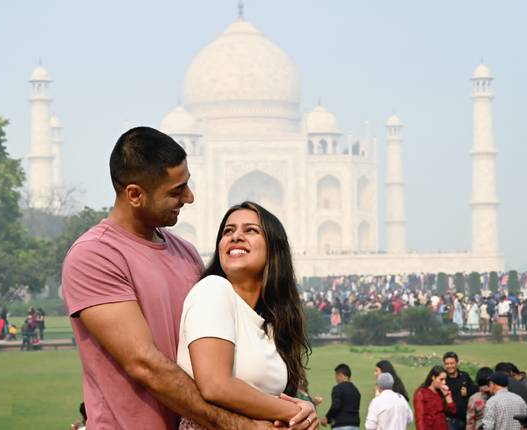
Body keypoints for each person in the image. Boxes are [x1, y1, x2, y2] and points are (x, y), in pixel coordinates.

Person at [62, 127, 305, 429]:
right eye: (176, 191)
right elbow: (145, 364)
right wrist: (241, 425)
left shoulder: (185, 253)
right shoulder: (96, 255)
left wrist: (292, 404)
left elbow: (221, 353)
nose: (189, 197)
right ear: (135, 195)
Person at [176, 202, 317, 429]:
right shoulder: (213, 289)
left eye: (250, 230)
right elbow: (215, 385)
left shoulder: (269, 325)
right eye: (228, 231)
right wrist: (295, 412)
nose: (236, 236)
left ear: (274, 248)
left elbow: (269, 397)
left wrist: (304, 406)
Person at [413, 365, 456, 430]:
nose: (444, 382)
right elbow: (419, 418)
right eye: (441, 379)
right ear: (433, 377)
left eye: (445, 379)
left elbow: (452, 411)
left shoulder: (441, 392)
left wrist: (447, 396)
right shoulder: (421, 393)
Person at [443, 351, 477, 430]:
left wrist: (467, 392)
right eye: (447, 364)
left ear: (457, 363)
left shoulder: (464, 376)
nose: (449, 366)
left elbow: (475, 391)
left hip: (465, 418)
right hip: (449, 419)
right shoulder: (442, 378)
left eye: (452, 363)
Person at [321, 363, 361, 429]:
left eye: (336, 376)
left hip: (341, 425)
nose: (336, 379)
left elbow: (335, 406)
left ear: (340, 375)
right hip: (355, 425)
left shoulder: (338, 388)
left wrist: (327, 418)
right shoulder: (356, 391)